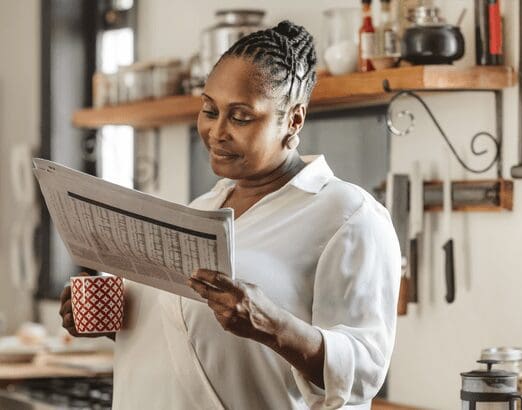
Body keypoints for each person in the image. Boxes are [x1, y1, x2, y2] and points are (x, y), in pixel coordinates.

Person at [58, 20, 401, 409]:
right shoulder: (199, 210)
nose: (216, 131)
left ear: (293, 119)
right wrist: (113, 318)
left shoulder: (349, 216)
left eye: (240, 116)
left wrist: (272, 327)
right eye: (209, 109)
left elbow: (365, 371)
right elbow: (191, 341)